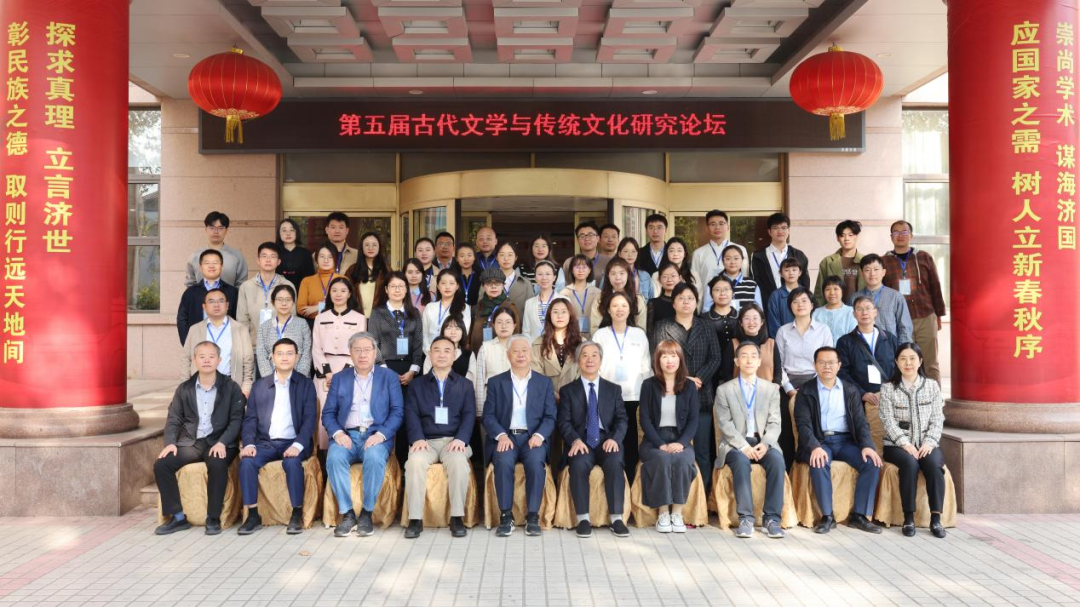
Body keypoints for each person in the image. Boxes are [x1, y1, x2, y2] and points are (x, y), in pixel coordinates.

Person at [153, 341, 245, 536]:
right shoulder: (184, 388)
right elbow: (174, 419)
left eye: (211, 356)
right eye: (202, 357)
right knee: (162, 465)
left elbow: (237, 420)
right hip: (191, 442)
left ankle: (213, 517)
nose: (206, 360)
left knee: (217, 464)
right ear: (194, 360)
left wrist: (222, 442)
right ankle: (178, 517)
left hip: (220, 441)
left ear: (219, 360)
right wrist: (170, 443)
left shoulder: (231, 387)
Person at [794, 347, 883, 535]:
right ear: (815, 365)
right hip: (820, 441)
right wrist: (814, 447)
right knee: (819, 461)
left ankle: (859, 516)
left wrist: (867, 446)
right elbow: (803, 425)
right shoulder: (806, 391)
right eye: (822, 362)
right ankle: (827, 516)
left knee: (871, 462)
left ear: (839, 365)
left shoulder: (850, 390)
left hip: (845, 441)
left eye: (831, 362)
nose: (827, 366)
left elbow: (860, 422)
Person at [324, 332, 404, 538]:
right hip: (347, 435)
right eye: (357, 350)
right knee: (334, 457)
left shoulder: (389, 377)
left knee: (375, 457)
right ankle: (348, 514)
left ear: (375, 353)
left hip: (375, 435)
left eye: (367, 350)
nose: (362, 355)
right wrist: (338, 433)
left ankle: (367, 513)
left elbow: (397, 412)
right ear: (350, 353)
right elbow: (328, 413)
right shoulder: (339, 378)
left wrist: (382, 435)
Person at [236, 338, 318, 536]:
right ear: (272, 357)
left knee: (292, 463)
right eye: (280, 354)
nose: (284, 358)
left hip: (293, 442)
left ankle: (296, 513)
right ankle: (253, 515)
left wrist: (298, 445)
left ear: (297, 357)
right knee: (247, 462)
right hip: (266, 443)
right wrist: (249, 444)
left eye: (289, 353)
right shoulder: (260, 386)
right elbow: (250, 419)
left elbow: (310, 420)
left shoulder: (305, 384)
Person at [483, 335, 557, 537]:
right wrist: (500, 435)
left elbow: (550, 416)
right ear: (508, 356)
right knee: (503, 462)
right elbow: (488, 416)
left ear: (531, 354)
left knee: (535, 463)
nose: (521, 354)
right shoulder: (496, 382)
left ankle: (533, 516)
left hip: (532, 438)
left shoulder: (543, 383)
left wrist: (540, 435)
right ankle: (506, 517)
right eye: (515, 351)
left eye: (524, 350)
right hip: (507, 437)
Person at [403, 336, 475, 539]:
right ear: (430, 354)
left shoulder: (465, 385)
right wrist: (417, 438)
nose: (442, 354)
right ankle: (415, 519)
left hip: (454, 441)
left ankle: (457, 517)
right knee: (414, 462)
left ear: (454, 355)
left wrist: (461, 439)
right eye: (437, 350)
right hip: (426, 441)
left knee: (458, 462)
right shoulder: (417, 385)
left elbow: (469, 414)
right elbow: (411, 413)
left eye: (446, 350)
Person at [650, 283, 720, 490]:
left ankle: (701, 497)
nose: (686, 302)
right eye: (681, 298)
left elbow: (715, 357)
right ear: (673, 303)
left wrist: (699, 378)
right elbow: (655, 359)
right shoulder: (662, 327)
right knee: (675, 450)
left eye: (690, 298)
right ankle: (675, 493)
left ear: (697, 302)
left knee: (702, 451)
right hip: (671, 394)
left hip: (701, 394)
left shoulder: (706, 326)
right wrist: (684, 379)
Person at [558, 341, 630, 538]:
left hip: (607, 439)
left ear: (600, 360)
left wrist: (615, 439)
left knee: (614, 461)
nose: (589, 359)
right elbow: (563, 422)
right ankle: (583, 519)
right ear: (578, 361)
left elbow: (622, 419)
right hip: (581, 441)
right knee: (578, 463)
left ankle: (616, 518)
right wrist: (574, 440)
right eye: (585, 355)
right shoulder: (568, 390)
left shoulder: (613, 389)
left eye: (594, 355)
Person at [714, 341, 786, 539]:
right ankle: (746, 518)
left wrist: (766, 443)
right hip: (735, 444)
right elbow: (725, 424)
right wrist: (743, 446)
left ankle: (772, 519)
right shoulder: (724, 390)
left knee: (777, 461)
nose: (749, 360)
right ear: (736, 361)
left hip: (762, 441)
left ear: (760, 361)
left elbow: (775, 423)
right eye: (744, 356)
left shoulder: (770, 389)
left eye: (753, 356)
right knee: (740, 461)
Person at [879, 342, 947, 538]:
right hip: (896, 445)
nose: (908, 363)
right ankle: (908, 518)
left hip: (926, 444)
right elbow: (887, 420)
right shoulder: (888, 388)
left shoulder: (931, 386)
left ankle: (936, 519)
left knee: (934, 465)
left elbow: (937, 419)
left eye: (912, 359)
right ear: (896, 362)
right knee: (910, 464)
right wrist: (905, 443)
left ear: (920, 361)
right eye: (903, 359)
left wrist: (929, 442)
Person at [638, 340, 699, 534]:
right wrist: (660, 444)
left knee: (683, 460)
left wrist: (681, 443)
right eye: (664, 356)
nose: (669, 360)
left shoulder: (689, 386)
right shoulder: (648, 385)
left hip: (680, 438)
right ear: (658, 360)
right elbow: (644, 419)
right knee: (662, 459)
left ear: (680, 359)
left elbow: (694, 420)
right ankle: (663, 512)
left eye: (673, 356)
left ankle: (677, 513)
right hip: (654, 439)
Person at [368, 271, 425, 468]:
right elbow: (373, 343)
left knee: (408, 414)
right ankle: (386, 462)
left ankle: (405, 463)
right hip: (385, 369)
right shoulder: (377, 313)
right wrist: (385, 370)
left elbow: (418, 344)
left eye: (401, 286)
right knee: (388, 413)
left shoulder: (414, 313)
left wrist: (413, 371)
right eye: (393, 286)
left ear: (406, 289)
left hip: (409, 371)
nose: (397, 290)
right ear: (386, 289)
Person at [592, 292, 653, 473]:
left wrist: (646, 395)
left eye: (624, 305)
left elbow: (646, 367)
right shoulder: (600, 335)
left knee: (632, 441)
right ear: (608, 310)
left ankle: (631, 480)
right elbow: (595, 367)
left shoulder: (639, 334)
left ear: (630, 310)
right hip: (607, 397)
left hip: (634, 396)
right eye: (615, 305)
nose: (620, 309)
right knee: (610, 441)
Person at [881, 221, 947, 382]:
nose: (900, 235)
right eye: (896, 232)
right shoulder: (884, 261)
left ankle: (934, 396)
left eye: (904, 232)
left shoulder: (924, 257)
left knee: (930, 362)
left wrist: (938, 315)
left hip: (926, 316)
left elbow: (935, 286)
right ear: (891, 237)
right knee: (904, 362)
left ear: (911, 235)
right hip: (899, 320)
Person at [774, 287, 832, 469]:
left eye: (804, 300)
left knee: (813, 425)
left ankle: (811, 464)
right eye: (795, 301)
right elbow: (778, 364)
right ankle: (787, 468)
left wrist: (813, 385)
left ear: (812, 304)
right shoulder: (783, 331)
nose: (800, 305)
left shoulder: (823, 330)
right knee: (785, 428)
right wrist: (789, 388)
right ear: (790, 306)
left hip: (815, 383)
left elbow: (827, 361)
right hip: (788, 384)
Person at [312, 277, 366, 451]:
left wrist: (342, 374)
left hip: (348, 368)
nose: (338, 294)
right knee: (323, 411)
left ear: (350, 294)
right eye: (334, 290)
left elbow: (359, 346)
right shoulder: (320, 318)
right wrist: (328, 373)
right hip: (324, 371)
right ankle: (322, 454)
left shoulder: (359, 318)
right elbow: (316, 348)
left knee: (346, 410)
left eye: (343, 291)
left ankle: (345, 449)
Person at [531, 297, 581, 472]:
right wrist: (552, 394)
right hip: (546, 402)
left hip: (574, 402)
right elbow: (535, 374)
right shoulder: (538, 343)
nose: (559, 316)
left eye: (564, 312)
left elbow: (583, 373)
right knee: (550, 446)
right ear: (549, 316)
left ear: (570, 315)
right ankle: (551, 480)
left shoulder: (580, 343)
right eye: (555, 312)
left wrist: (567, 397)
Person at [182, 288, 254, 396]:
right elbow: (186, 358)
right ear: (204, 307)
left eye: (221, 301)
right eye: (211, 301)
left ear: (227, 305)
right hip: (200, 386)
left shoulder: (240, 329)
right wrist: (185, 387)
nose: (216, 305)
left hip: (231, 385)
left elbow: (248, 361)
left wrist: (245, 389)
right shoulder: (195, 329)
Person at [836, 296, 899, 407]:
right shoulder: (845, 342)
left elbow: (899, 367)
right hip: (860, 401)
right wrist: (862, 393)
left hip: (891, 397)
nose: (864, 312)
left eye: (868, 308)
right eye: (859, 309)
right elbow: (842, 372)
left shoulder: (889, 338)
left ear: (875, 312)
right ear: (854, 314)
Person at [470, 306, 518, 439]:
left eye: (508, 322)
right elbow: (479, 380)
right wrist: (480, 410)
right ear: (493, 325)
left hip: (517, 403)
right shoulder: (486, 347)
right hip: (491, 404)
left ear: (514, 325)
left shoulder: (521, 347)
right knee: (491, 441)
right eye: (499, 322)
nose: (504, 326)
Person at [237, 242, 295, 348]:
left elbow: (292, 318)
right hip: (253, 347)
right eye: (264, 256)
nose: (268, 260)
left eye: (272, 256)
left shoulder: (287, 285)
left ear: (278, 262)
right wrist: (246, 345)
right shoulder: (246, 287)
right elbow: (242, 321)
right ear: (258, 260)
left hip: (281, 348)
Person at [751, 213, 810, 314]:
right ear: (769, 231)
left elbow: (804, 282)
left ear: (789, 230)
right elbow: (757, 283)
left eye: (783, 228)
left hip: (795, 305)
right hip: (769, 306)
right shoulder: (758, 256)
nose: (780, 231)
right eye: (775, 228)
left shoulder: (799, 255)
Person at [177, 249, 239, 345]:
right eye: (207, 263)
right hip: (198, 343)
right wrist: (187, 343)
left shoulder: (232, 292)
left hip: (226, 343)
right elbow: (182, 319)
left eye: (215, 263)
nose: (211, 266)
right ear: (200, 267)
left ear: (222, 266)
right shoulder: (190, 293)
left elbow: (237, 318)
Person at [256, 284, 312, 379]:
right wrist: (270, 379)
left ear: (293, 302)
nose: (284, 303)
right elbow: (261, 354)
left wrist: (298, 378)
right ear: (273, 302)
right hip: (271, 380)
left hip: (299, 379)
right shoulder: (264, 326)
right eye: (280, 299)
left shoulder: (302, 324)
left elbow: (307, 353)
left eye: (288, 300)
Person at [855, 254, 914, 343]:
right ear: (862, 273)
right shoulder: (854, 298)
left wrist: (902, 349)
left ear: (883, 272)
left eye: (876, 269)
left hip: (890, 348)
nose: (872, 274)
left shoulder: (896, 297)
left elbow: (905, 328)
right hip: (861, 346)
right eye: (867, 270)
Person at [691, 210, 748, 297]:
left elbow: (745, 277)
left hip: (735, 300)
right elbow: (695, 283)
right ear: (707, 228)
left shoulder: (740, 250)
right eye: (713, 224)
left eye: (721, 223)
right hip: (706, 301)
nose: (717, 227)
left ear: (728, 227)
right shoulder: (698, 253)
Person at [184, 211, 249, 287]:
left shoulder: (237, 256)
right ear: (206, 229)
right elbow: (190, 285)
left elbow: (241, 285)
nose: (216, 232)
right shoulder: (195, 256)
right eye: (212, 228)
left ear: (226, 230)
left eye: (220, 228)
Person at [470, 267, 521, 353]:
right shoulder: (478, 307)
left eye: (497, 283)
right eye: (489, 283)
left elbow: (516, 333)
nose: (493, 286)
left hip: (503, 353)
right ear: (483, 287)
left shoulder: (510, 306)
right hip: (479, 353)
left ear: (503, 286)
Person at [814, 220, 865, 306]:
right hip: (834, 310)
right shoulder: (827, 262)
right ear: (837, 238)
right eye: (842, 235)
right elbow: (819, 293)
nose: (846, 239)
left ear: (857, 236)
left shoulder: (865, 261)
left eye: (850, 235)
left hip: (860, 309)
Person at [589, 258, 648, 332]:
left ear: (628, 275)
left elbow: (641, 329)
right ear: (607, 276)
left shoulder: (637, 299)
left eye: (622, 273)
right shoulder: (600, 298)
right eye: (613, 274)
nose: (618, 278)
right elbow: (595, 328)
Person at [731, 304, 782, 387]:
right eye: (747, 318)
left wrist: (776, 384)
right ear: (740, 322)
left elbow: (778, 369)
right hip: (739, 391)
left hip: (767, 390)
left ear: (761, 322)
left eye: (755, 318)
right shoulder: (733, 344)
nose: (751, 322)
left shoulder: (771, 343)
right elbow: (727, 373)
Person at [423, 269, 470, 352]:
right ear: (438, 286)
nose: (447, 287)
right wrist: (429, 352)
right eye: (443, 283)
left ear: (457, 286)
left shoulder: (464, 308)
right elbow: (424, 333)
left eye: (451, 283)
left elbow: (464, 333)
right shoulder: (430, 307)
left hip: (454, 353)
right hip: (431, 353)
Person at [344, 232, 389, 316]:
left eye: (374, 245)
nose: (370, 248)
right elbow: (346, 293)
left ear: (379, 247)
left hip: (380, 317)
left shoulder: (386, 270)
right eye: (367, 245)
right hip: (357, 316)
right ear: (361, 248)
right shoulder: (352, 270)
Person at [705, 275, 739, 383]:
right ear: (711, 294)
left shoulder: (742, 317)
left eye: (726, 289)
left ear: (732, 293)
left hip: (738, 370)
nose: (722, 293)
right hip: (710, 373)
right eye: (717, 290)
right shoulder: (702, 319)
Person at [298, 244, 343, 321]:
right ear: (316, 260)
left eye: (330, 257)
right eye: (322, 257)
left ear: (335, 260)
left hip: (338, 322)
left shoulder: (342, 280)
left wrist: (318, 307)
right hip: (313, 323)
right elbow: (301, 309)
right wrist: (330, 307)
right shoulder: (307, 281)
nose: (326, 260)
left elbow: (345, 306)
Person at [560, 254, 601, 337]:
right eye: (577, 267)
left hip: (593, 335)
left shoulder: (597, 293)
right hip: (571, 335)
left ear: (590, 270)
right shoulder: (564, 293)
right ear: (572, 270)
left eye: (584, 267)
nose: (581, 270)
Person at [811, 276, 856, 346]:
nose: (832, 293)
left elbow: (854, 337)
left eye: (836, 289)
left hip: (845, 351)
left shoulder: (851, 312)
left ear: (842, 291)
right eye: (828, 289)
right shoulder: (816, 313)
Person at [424, 313, 473, 378]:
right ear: (443, 331)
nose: (453, 332)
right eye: (449, 328)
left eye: (457, 328)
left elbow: (470, 381)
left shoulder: (469, 354)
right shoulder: (433, 352)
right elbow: (426, 379)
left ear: (463, 332)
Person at [716, 245, 762, 313]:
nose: (732, 262)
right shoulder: (714, 283)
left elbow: (759, 311)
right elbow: (707, 310)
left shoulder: (752, 284)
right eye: (728, 259)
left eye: (736, 258)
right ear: (723, 261)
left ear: (742, 260)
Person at [766, 257, 803, 338]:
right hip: (783, 340)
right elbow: (773, 322)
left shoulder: (806, 294)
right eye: (786, 270)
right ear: (781, 273)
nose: (791, 273)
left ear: (800, 272)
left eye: (794, 270)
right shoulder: (775, 296)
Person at [522, 260, 560, 339]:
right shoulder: (529, 303)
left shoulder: (564, 300)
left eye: (548, 274)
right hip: (534, 345)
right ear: (535, 278)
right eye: (540, 274)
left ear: (554, 277)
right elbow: (526, 331)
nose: (544, 278)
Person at [495, 241, 533, 316]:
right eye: (502, 255)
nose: (506, 258)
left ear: (516, 257)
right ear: (496, 257)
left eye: (510, 255)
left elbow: (530, 311)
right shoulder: (488, 282)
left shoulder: (526, 284)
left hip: (519, 323)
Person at [276, 218, 315, 288]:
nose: (288, 233)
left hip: (302, 292)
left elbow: (310, 278)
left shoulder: (305, 254)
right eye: (284, 230)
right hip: (279, 292)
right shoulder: (275, 253)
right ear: (279, 233)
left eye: (291, 230)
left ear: (296, 232)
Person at [646, 261, 680, 329]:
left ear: (680, 278)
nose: (669, 280)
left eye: (673, 276)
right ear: (659, 280)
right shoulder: (653, 303)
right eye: (665, 277)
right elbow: (650, 330)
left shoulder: (686, 302)